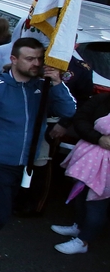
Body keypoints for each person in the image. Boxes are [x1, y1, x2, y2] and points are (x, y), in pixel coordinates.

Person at [0, 38, 76, 267]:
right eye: (29, 58)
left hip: (24, 163)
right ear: (13, 59)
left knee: (1, 209)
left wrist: (58, 83)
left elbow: (69, 110)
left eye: (39, 58)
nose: (36, 63)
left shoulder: (42, 88)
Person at [50, 92, 110, 254]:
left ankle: (83, 241)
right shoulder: (102, 99)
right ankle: (79, 227)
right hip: (89, 156)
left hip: (107, 167)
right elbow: (81, 118)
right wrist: (98, 138)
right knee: (80, 194)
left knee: (96, 202)